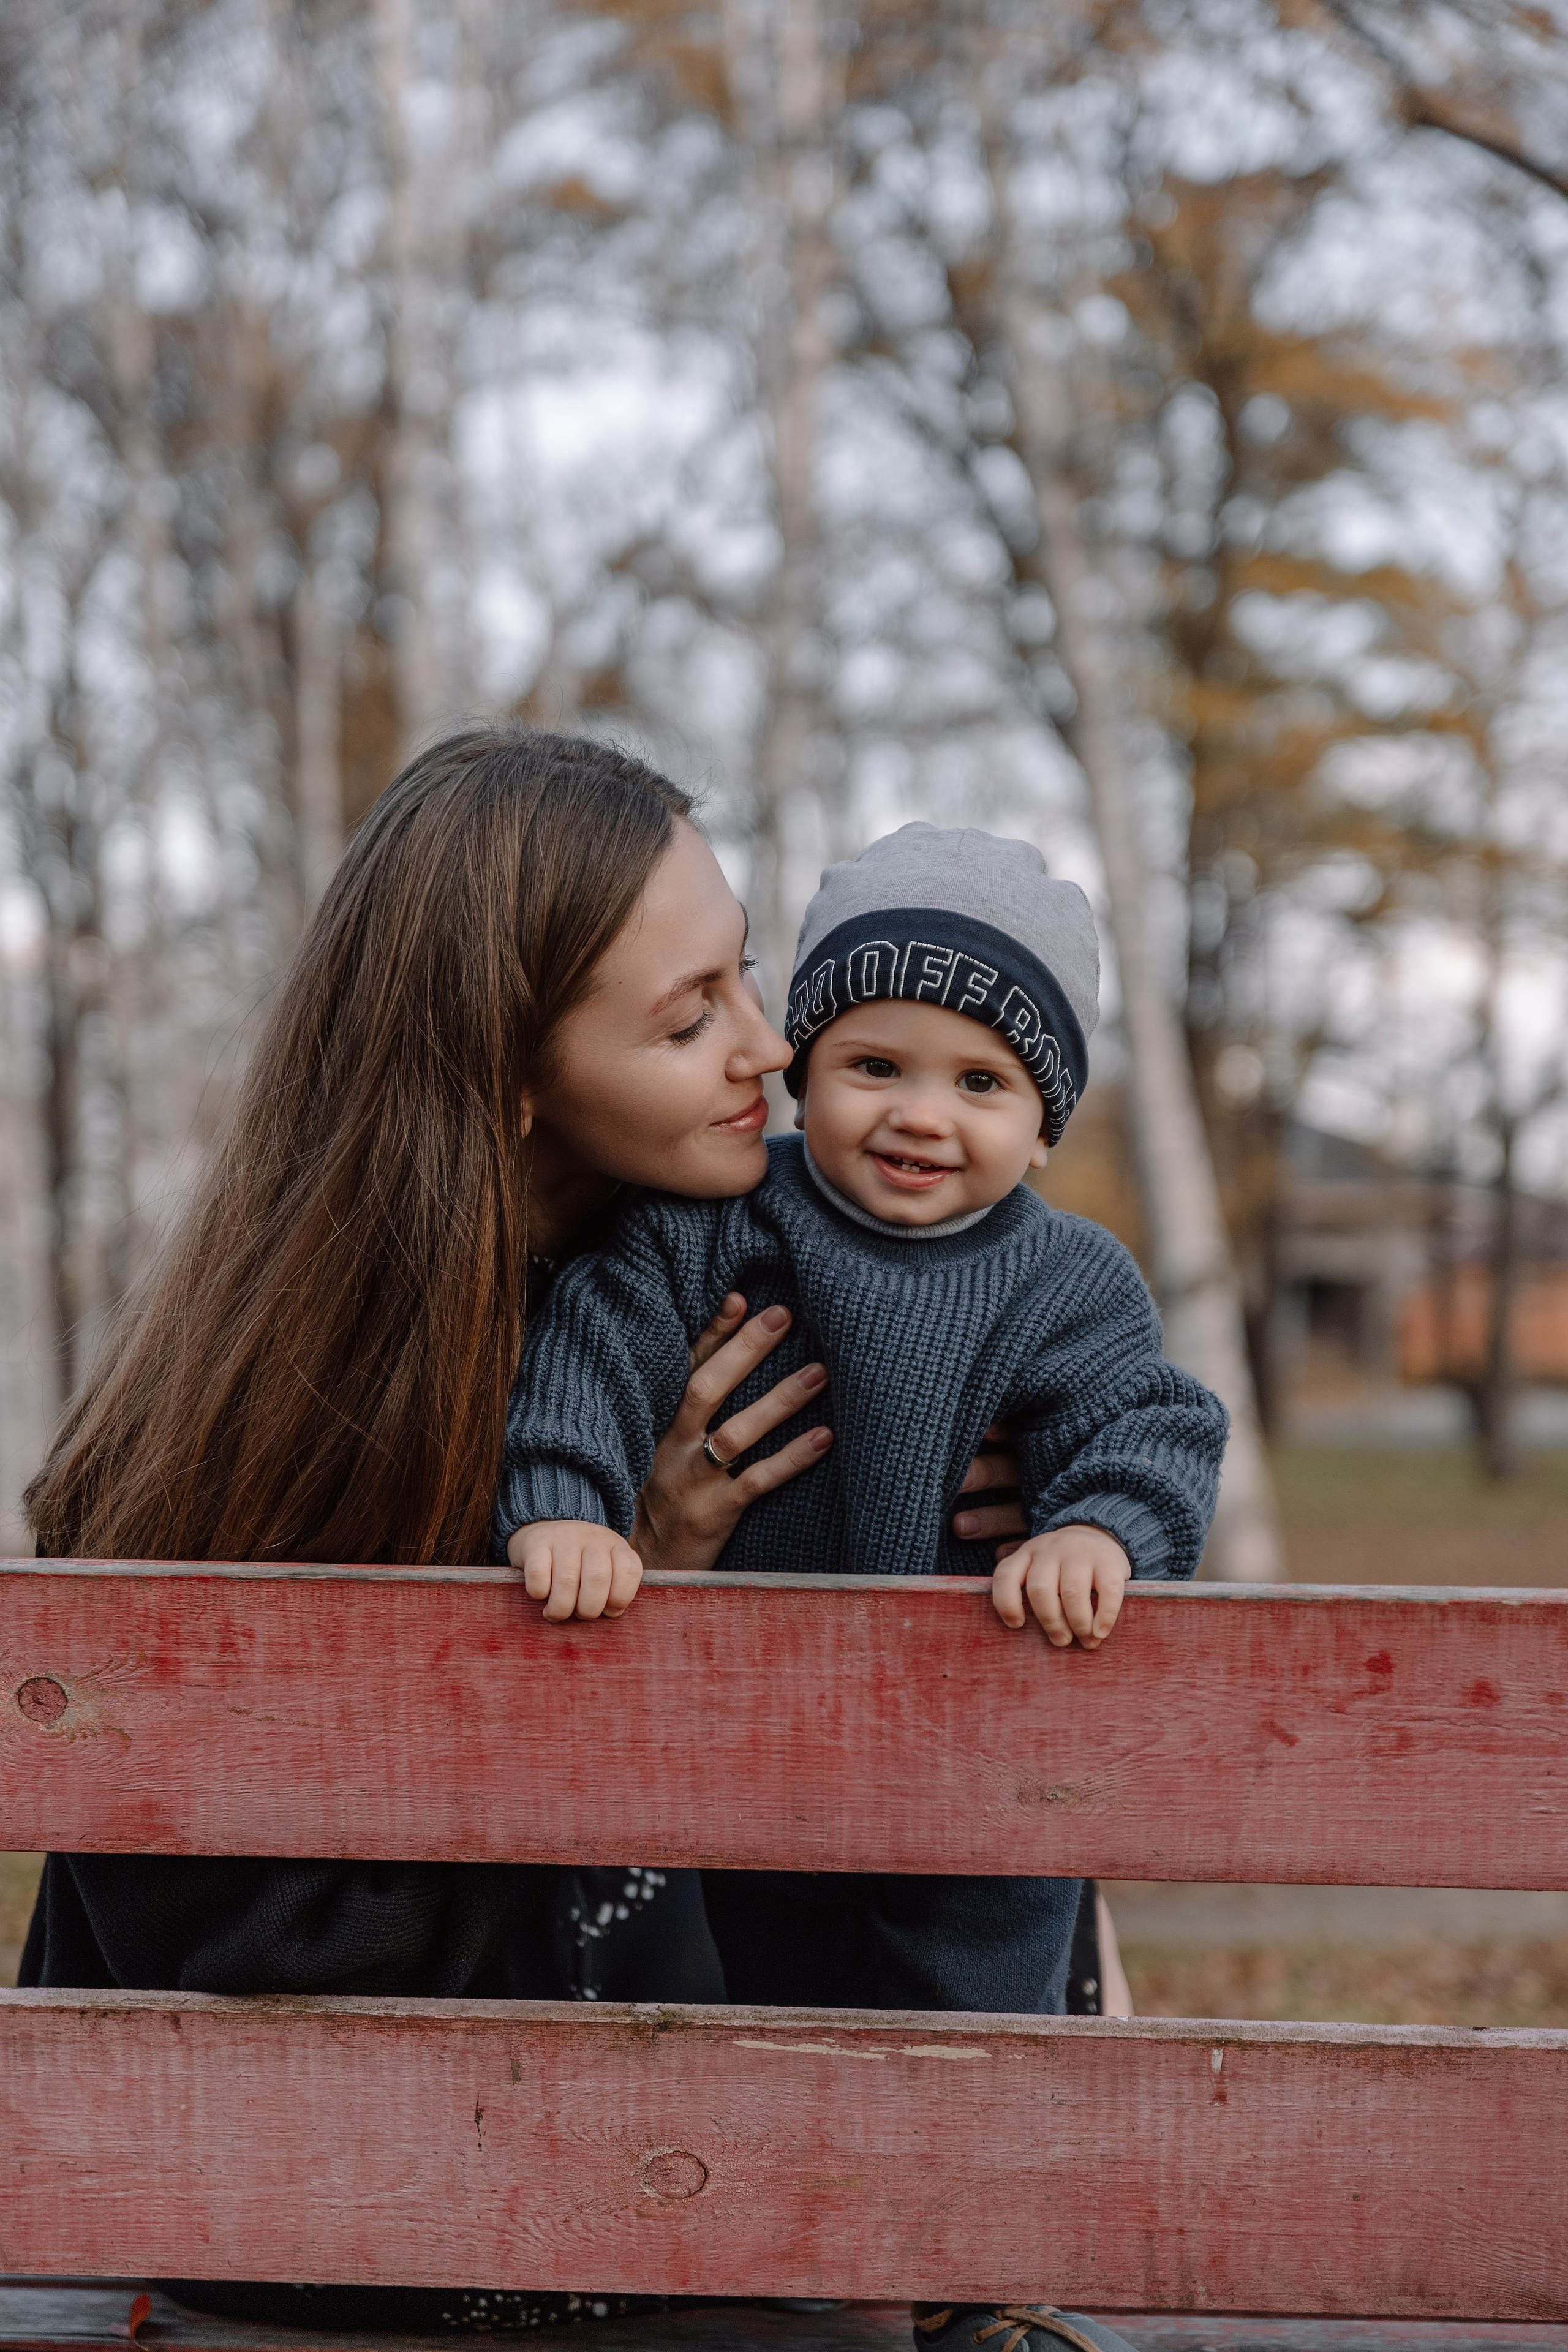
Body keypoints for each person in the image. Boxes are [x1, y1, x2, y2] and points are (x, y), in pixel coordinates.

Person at [17, 731, 1045, 2334]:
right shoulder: (308, 1402)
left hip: (662, 2169)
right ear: (509, 1067)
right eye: (689, 1014)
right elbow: (260, 1953)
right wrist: (638, 1598)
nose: (768, 1050)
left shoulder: (710, 1303)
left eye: (747, 978)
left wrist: (1003, 1499)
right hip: (374, 2218)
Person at [496, 821, 1229, 2352]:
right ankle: (771, 2260)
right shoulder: (715, 1223)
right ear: (807, 1065)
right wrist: (568, 1507)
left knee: (966, 2018)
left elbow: (1146, 1426)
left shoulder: (1065, 1278)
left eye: (979, 1084)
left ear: (1043, 1125)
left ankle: (971, 2287)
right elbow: (592, 1347)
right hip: (747, 1755)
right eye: (873, 1063)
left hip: (971, 1760)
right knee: (755, 2008)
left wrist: (1094, 1533)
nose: (918, 1116)